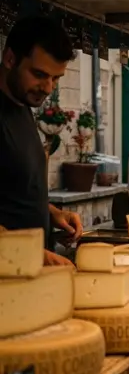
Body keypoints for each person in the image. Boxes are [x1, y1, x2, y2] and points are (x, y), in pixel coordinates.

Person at [0, 16, 83, 267]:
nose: (47, 88)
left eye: (56, 78)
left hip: (28, 276)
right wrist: (33, 255)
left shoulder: (22, 104)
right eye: (39, 74)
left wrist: (52, 213)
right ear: (10, 58)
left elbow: (13, 188)